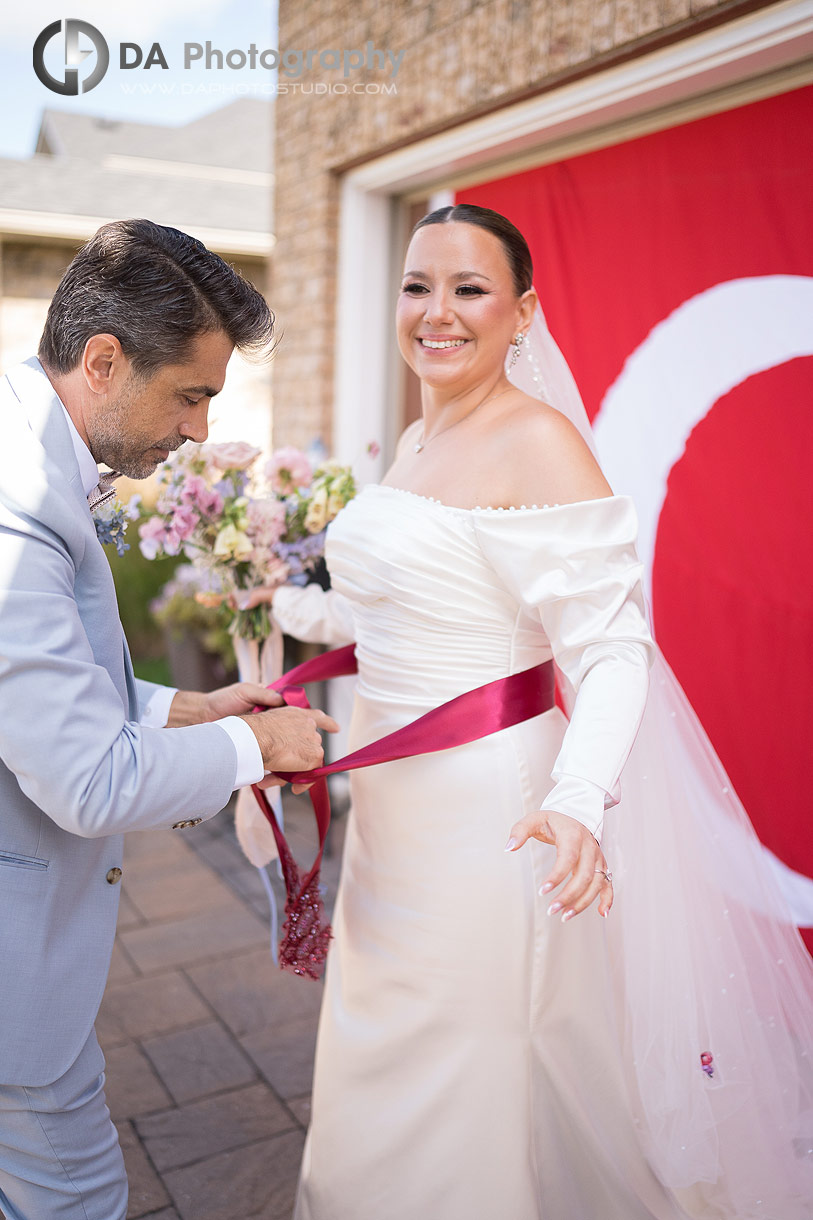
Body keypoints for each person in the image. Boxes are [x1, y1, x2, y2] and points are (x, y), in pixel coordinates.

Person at [258, 205, 813, 1219]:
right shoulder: (423, 434)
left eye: (469, 288)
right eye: (418, 284)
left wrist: (578, 796)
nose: (437, 311)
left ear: (523, 313)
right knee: (385, 1038)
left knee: (472, 1063)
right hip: (395, 817)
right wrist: (284, 606)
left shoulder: (539, 442)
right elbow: (400, 602)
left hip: (493, 815)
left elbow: (611, 648)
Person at [0, 218, 338, 1220]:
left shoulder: (33, 458)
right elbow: (88, 779)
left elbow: (39, 686)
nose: (199, 429)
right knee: (78, 1195)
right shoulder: (18, 509)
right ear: (103, 359)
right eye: (191, 393)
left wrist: (190, 705)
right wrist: (255, 743)